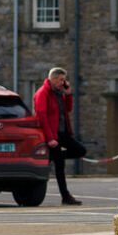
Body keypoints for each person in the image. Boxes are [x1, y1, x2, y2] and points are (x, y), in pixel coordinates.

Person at [33, 66, 84, 205]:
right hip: (52, 135)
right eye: (61, 80)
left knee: (80, 150)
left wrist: (68, 94)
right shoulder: (43, 93)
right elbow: (42, 116)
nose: (63, 82)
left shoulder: (59, 93)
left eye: (64, 80)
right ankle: (65, 196)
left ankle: (54, 157)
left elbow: (68, 109)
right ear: (54, 79)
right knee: (60, 168)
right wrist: (50, 139)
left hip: (62, 132)